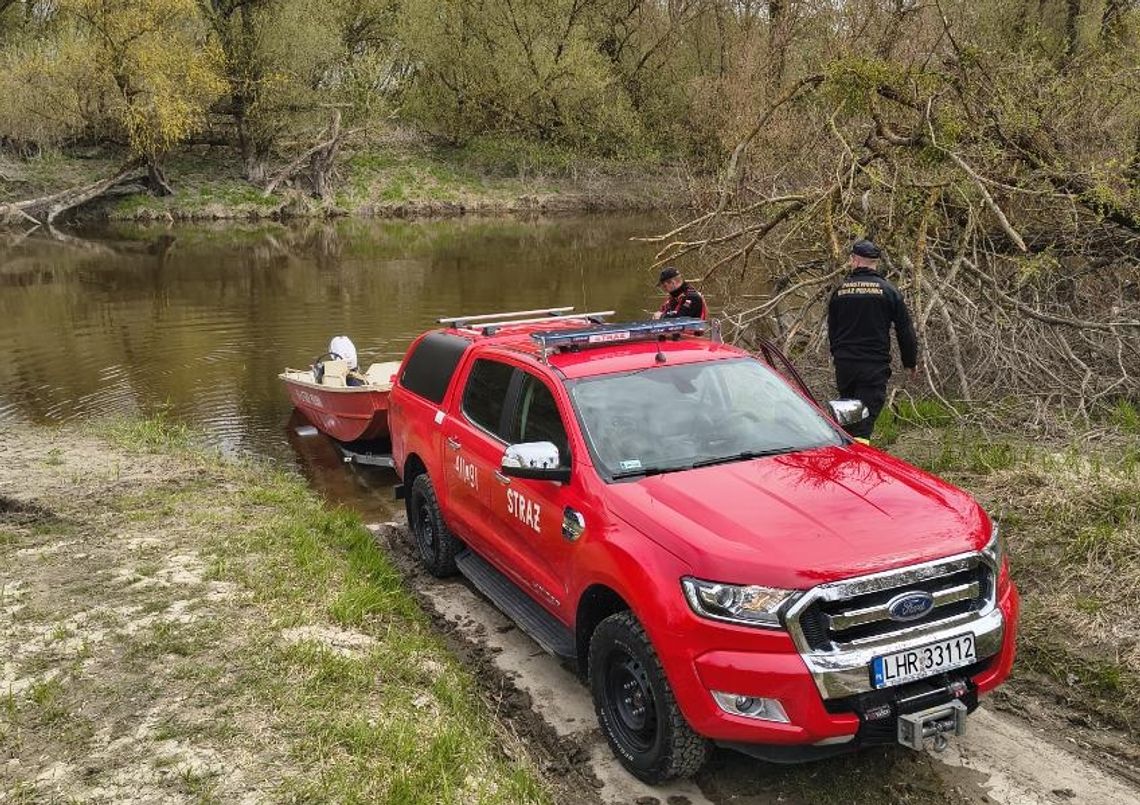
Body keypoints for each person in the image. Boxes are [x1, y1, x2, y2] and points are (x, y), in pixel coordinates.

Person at [827, 239, 918, 441]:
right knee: (864, 423)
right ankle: (858, 464)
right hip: (872, 367)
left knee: (849, 418)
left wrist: (838, 355)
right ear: (875, 262)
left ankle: (849, 458)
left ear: (855, 260)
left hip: (845, 366)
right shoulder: (888, 291)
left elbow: (832, 330)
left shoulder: (840, 291)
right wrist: (910, 362)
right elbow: (905, 330)